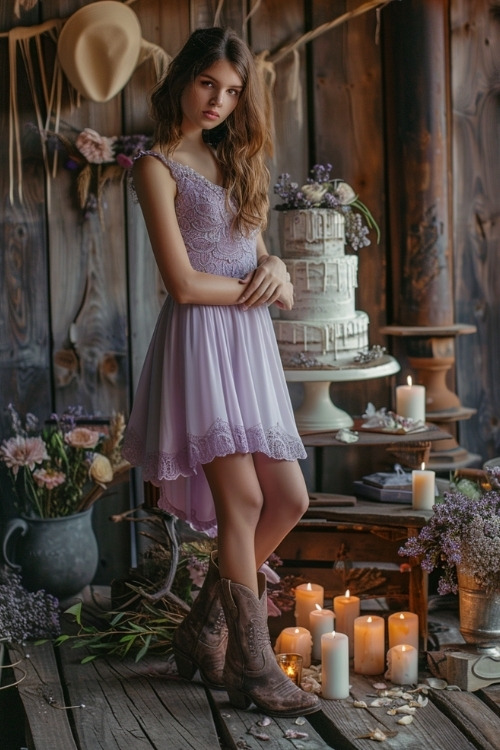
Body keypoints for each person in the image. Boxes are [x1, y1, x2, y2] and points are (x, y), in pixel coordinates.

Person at [122, 27, 319, 717]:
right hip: (202, 345)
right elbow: (180, 283)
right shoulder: (156, 166)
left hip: (248, 345)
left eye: (233, 91)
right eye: (209, 83)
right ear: (182, 79)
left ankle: (203, 625)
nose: (220, 100)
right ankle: (252, 665)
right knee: (241, 503)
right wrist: (256, 284)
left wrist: (275, 267)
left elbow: (273, 277)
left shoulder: (233, 161)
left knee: (289, 498)